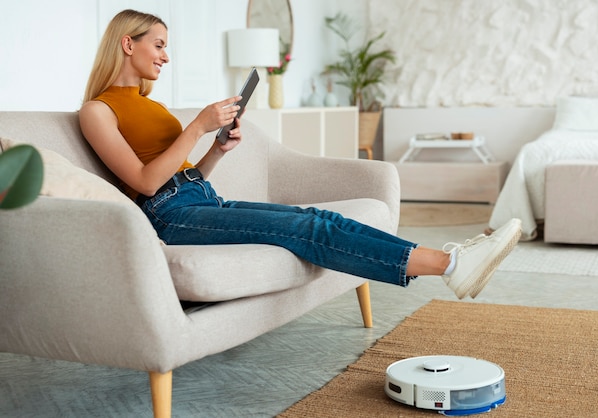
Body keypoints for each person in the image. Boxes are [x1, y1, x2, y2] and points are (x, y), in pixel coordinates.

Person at [79, 9, 522, 300]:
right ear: (127, 43)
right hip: (170, 215)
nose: (166, 56)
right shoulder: (97, 111)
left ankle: (451, 260)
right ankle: (451, 265)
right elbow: (145, 182)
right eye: (159, 44)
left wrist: (214, 150)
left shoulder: (150, 106)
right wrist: (196, 126)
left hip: (200, 198)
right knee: (305, 226)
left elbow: (180, 169)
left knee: (318, 217)